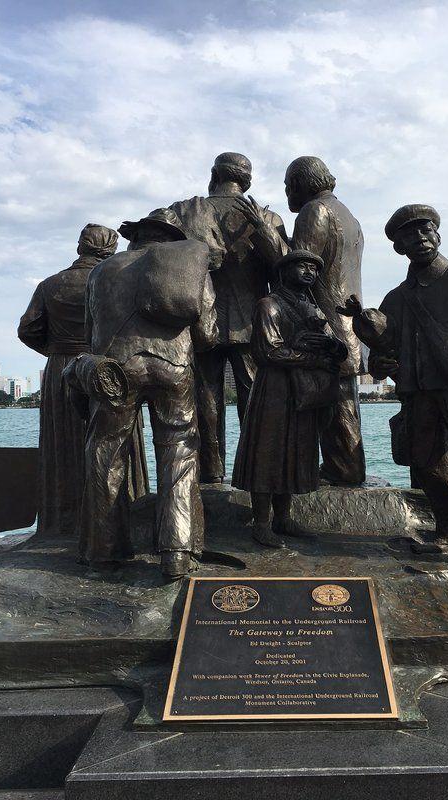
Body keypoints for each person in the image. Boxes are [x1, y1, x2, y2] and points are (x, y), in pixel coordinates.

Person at [339, 183, 448, 573]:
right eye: (409, 235)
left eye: (426, 231)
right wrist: (364, 322)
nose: (420, 239)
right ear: (399, 247)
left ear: (437, 235)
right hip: (418, 390)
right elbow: (386, 342)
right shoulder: (397, 297)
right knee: (426, 462)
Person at [80, 208, 218, 580]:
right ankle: (176, 553)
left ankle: (105, 552)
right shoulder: (190, 268)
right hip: (174, 366)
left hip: (116, 369)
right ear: (175, 240)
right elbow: (207, 335)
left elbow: (90, 334)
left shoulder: (101, 271)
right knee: (180, 451)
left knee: (106, 452)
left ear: (135, 236)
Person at [236, 156, 366, 486]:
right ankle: (347, 468)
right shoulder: (348, 215)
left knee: (334, 407)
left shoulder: (315, 211)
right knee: (344, 405)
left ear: (298, 184)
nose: (287, 193)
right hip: (348, 327)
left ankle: (343, 469)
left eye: (287, 186)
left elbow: (296, 265)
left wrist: (264, 232)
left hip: (324, 323)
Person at [18, 224, 148, 538]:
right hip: (111, 368)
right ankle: (123, 519)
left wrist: (56, 350)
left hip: (63, 370)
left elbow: (28, 330)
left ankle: (64, 522)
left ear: (80, 247)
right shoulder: (121, 282)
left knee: (64, 444)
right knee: (118, 443)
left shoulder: (51, 285)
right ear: (112, 251)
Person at [167, 153, 286, 483]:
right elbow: (284, 268)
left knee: (206, 401)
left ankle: (211, 474)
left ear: (213, 176)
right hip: (253, 326)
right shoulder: (266, 216)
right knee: (255, 403)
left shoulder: (184, 212)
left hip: (202, 323)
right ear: (247, 182)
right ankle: (257, 476)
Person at [232, 250, 348, 548]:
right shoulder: (269, 305)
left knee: (294, 453)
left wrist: (331, 348)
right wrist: (314, 359)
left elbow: (329, 343)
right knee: (268, 455)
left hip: (304, 392)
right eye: (302, 266)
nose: (310, 271)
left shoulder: (311, 306)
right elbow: (269, 351)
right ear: (284, 271)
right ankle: (261, 523)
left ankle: (283, 518)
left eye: (314, 267)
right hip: (275, 390)